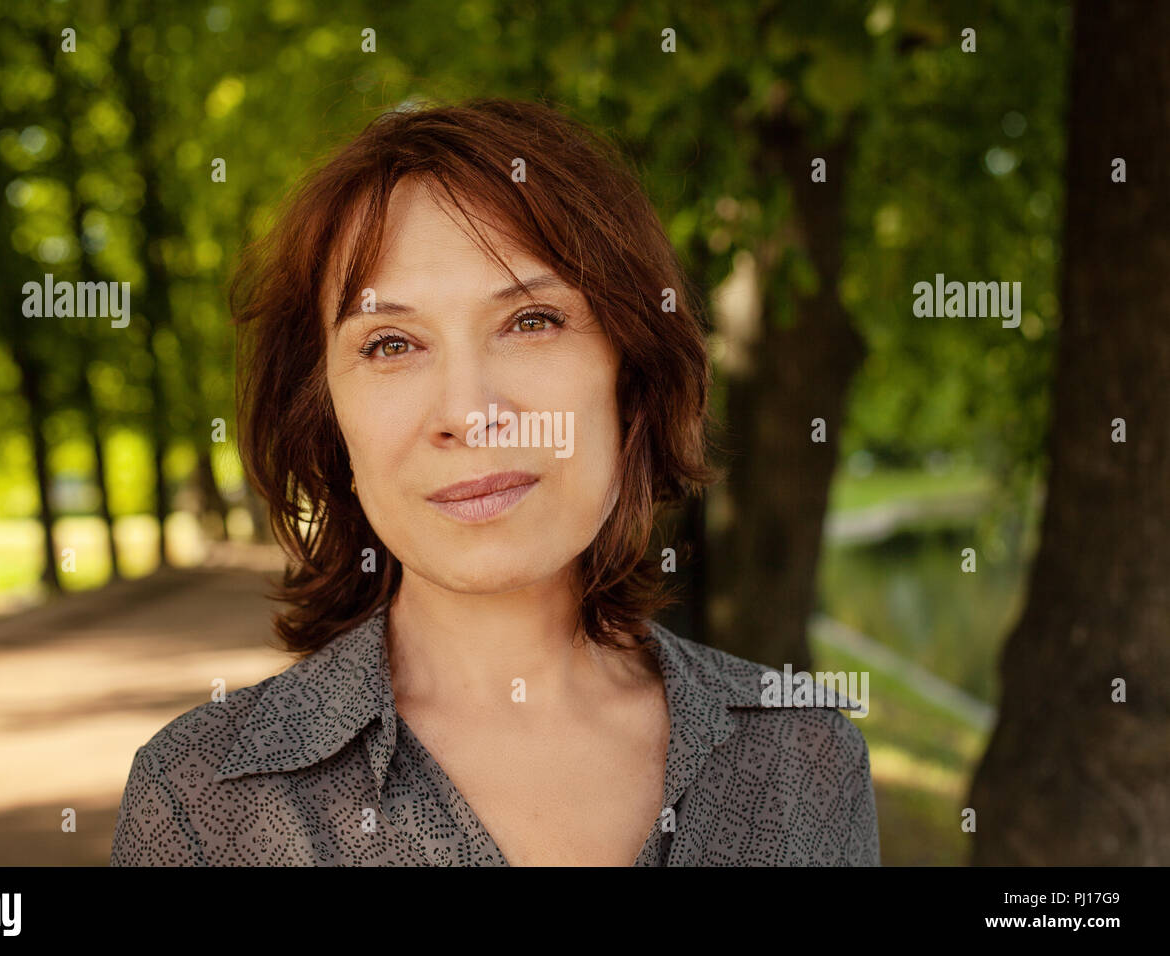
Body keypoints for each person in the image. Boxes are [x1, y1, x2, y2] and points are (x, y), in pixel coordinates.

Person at [109, 98, 880, 866]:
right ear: (329, 418)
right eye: (389, 343)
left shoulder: (803, 759)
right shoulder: (200, 805)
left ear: (630, 373)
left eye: (531, 321)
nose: (469, 414)